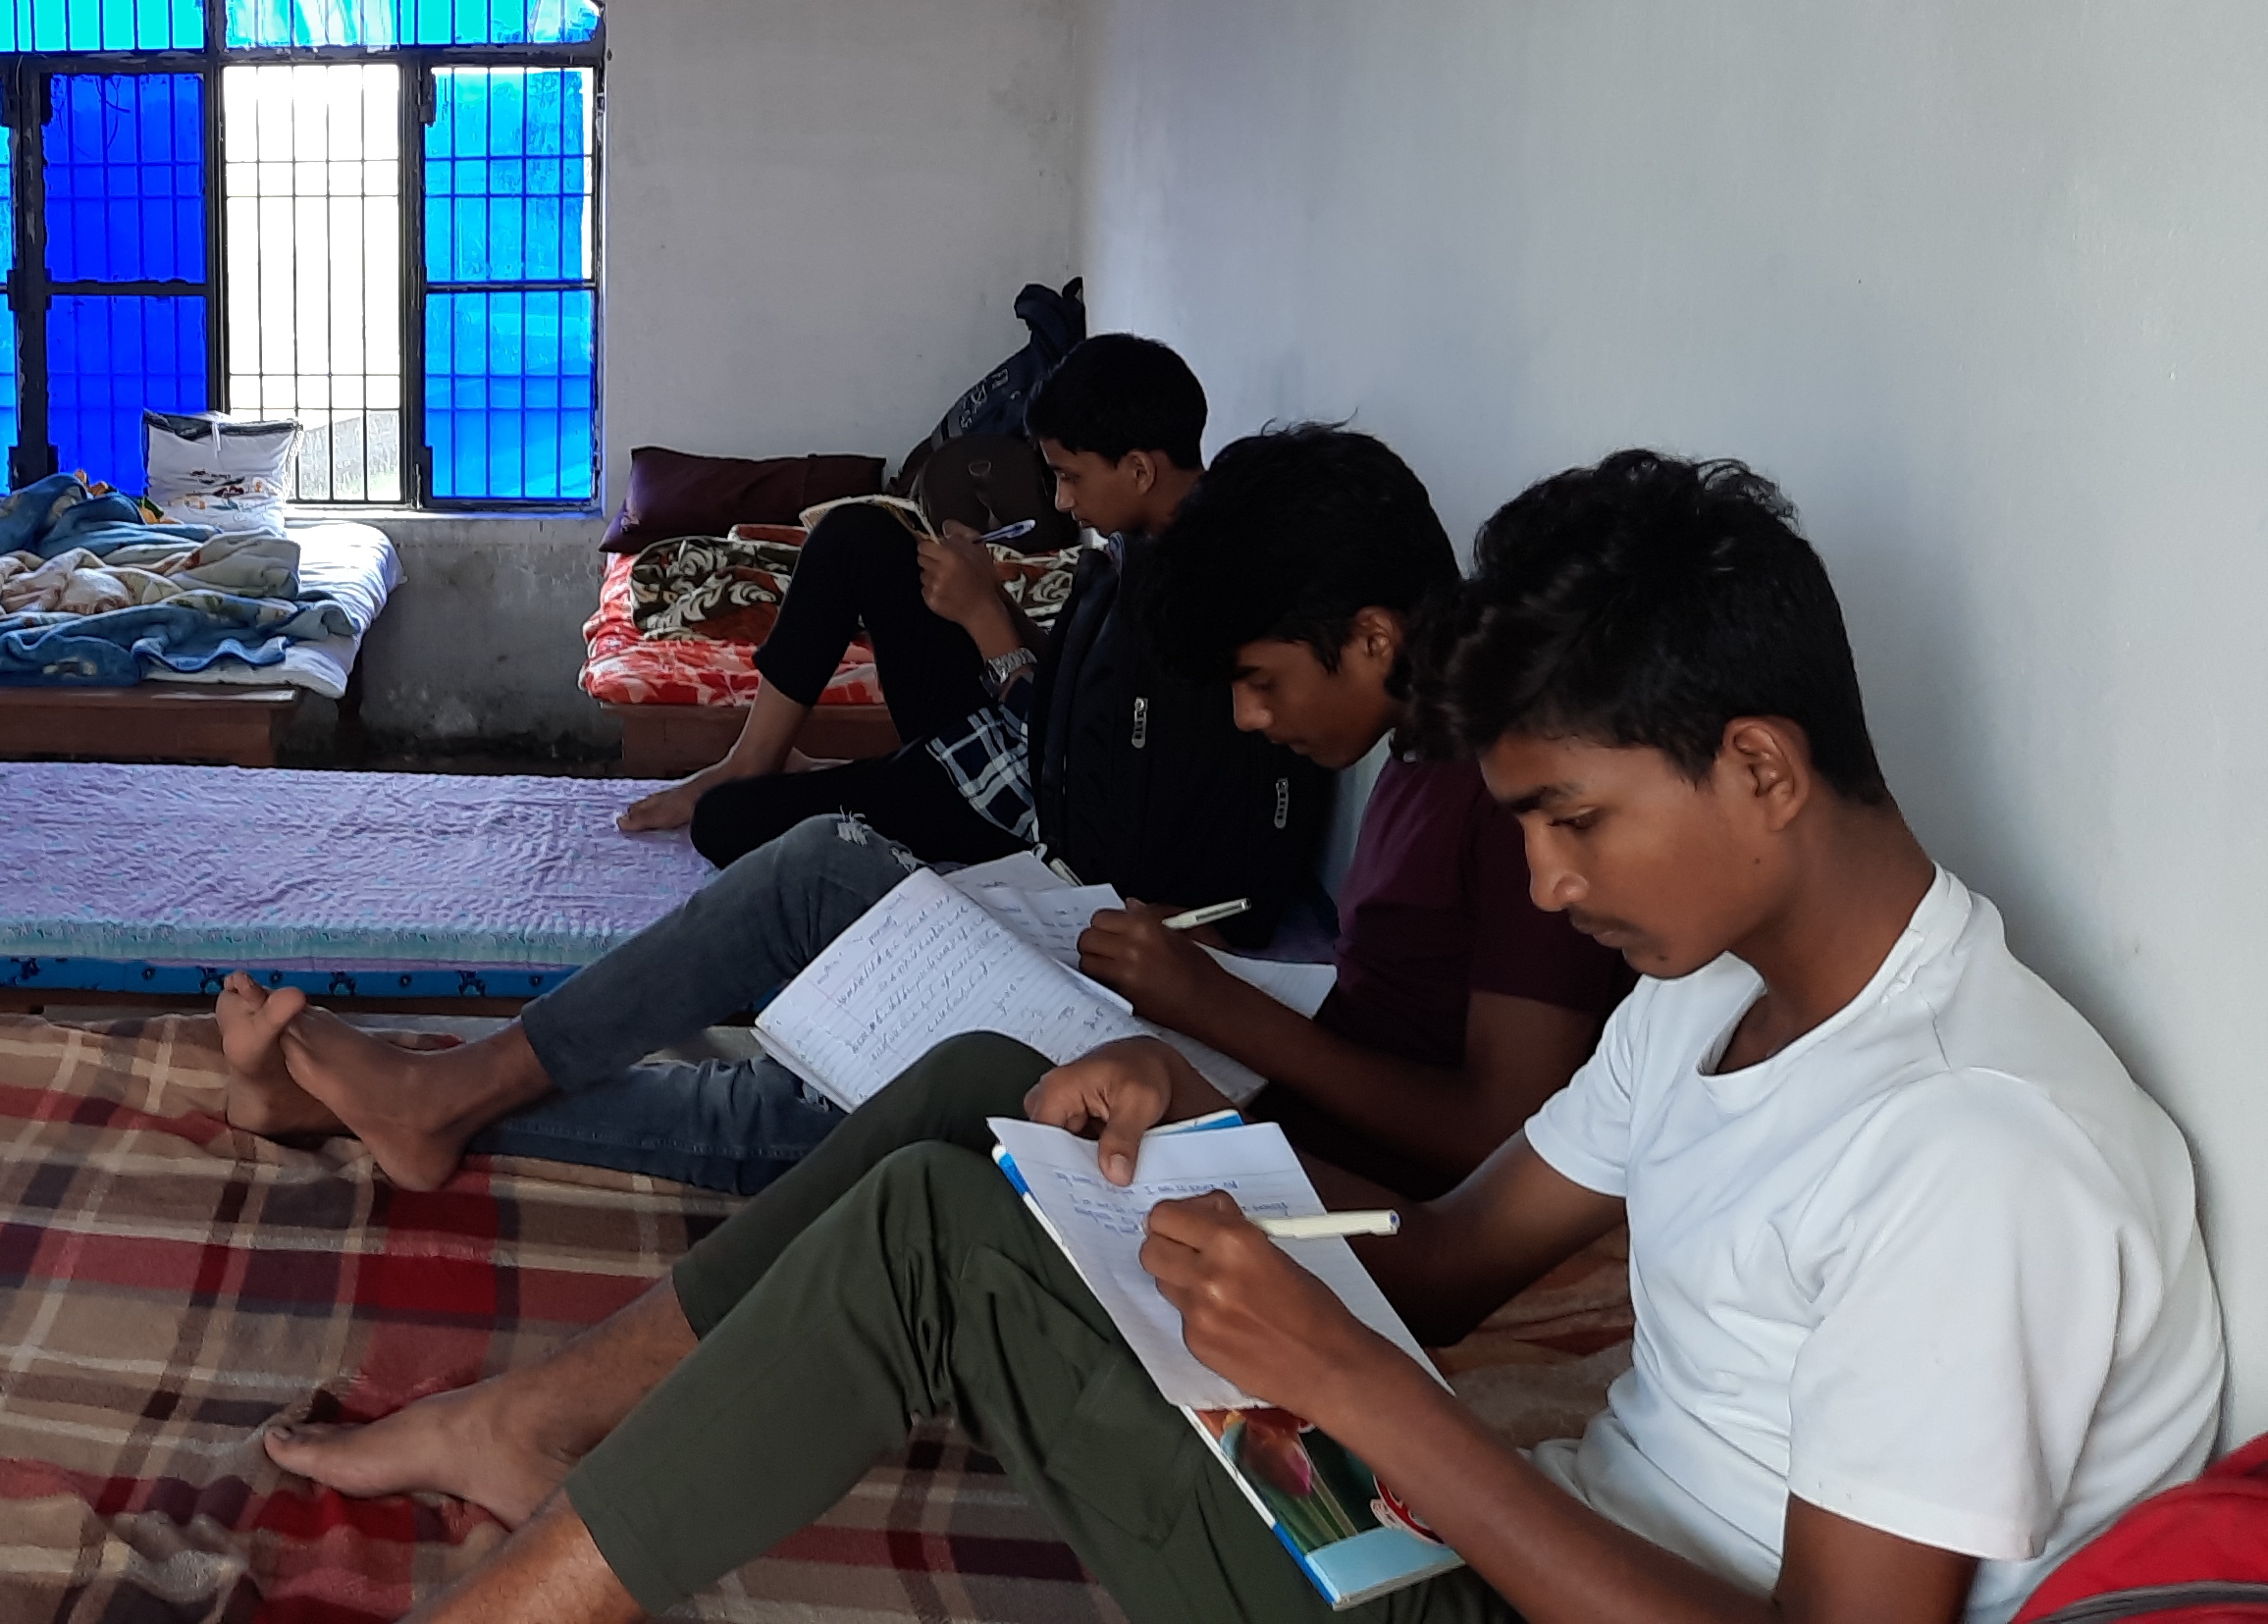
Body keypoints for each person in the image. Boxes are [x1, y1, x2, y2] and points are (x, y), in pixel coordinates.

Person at [275, 451, 2222, 1624]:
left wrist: (1357, 1405)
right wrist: (1200, 1128)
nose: (1538, 889)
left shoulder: (1974, 1149)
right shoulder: (1718, 997)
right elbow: (1449, 1265)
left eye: (1570, 821)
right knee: (989, 1102)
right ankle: (537, 1422)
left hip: (1493, 1578)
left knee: (935, 1239)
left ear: (1760, 767)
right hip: (1482, 1527)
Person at [223, 426, 1631, 1202]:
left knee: (826, 1005)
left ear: (1374, 635)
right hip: (1242, 1065)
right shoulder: (1442, 755)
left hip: (1273, 1135)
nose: (1255, 724)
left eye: (1261, 685)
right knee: (826, 1044)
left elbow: (1491, 1147)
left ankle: (423, 1092)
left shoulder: (1525, 806)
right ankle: (398, 1094)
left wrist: (1216, 1004)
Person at [626, 337, 1333, 925]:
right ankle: (760, 753)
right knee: (858, 535)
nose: (1061, 501)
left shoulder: (1198, 593)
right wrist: (987, 594)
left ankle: (833, 780)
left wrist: (987, 621)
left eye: (1068, 477)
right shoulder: (1142, 544)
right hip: (1004, 742)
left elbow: (1087, 789)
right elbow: (1085, 692)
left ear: (1141, 468)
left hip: (1009, 805)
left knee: (725, 823)